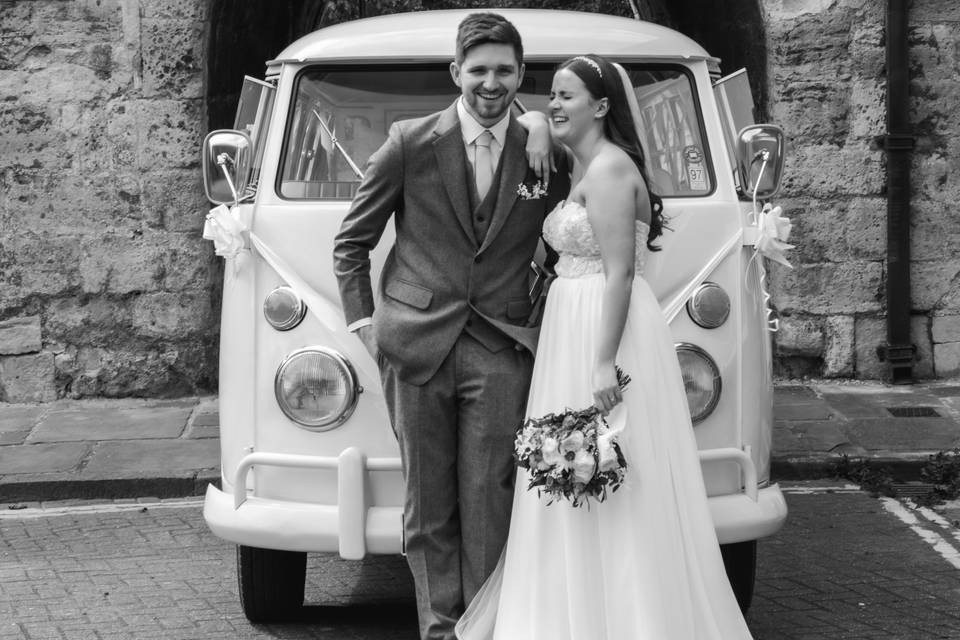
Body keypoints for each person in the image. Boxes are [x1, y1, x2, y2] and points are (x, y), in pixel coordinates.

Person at [455, 54, 754, 639]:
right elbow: (497, 111)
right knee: (567, 462)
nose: (555, 105)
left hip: (600, 325)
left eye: (567, 96)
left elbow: (620, 273)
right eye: (553, 96)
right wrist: (537, 123)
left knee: (612, 466)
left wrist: (601, 361)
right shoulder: (580, 164)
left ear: (602, 106)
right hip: (572, 319)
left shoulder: (613, 171)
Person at [332, 13, 569, 640]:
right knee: (427, 504)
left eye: (505, 71)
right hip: (415, 345)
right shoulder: (411, 141)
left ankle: (487, 629)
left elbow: (587, 215)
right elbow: (351, 243)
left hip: (502, 345)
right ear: (455, 73)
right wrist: (367, 327)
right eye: (479, 70)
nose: (491, 83)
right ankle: (441, 630)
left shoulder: (542, 151)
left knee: (493, 497)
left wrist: (541, 122)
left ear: (522, 76)